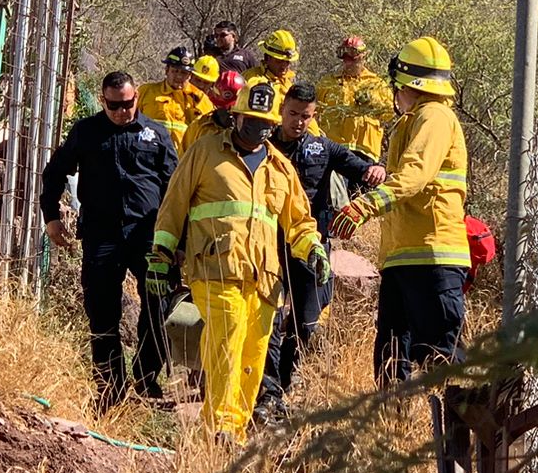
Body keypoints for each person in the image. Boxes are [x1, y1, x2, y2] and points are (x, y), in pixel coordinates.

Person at [147, 81, 330, 442]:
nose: (258, 128)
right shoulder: (205, 152)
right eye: (251, 120)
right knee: (225, 341)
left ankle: (238, 432)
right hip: (215, 269)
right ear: (236, 115)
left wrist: (312, 248)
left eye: (265, 122)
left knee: (254, 354)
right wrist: (161, 255)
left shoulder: (279, 168)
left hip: (263, 278)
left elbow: (299, 221)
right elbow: (174, 206)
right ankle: (219, 428)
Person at [329, 37, 470, 384]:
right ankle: (392, 428)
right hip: (404, 256)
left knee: (440, 358)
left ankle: (467, 433)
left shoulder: (434, 117)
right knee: (393, 357)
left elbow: (414, 175)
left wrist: (366, 204)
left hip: (431, 255)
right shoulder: (412, 121)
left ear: (404, 83)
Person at [41, 71, 176, 410]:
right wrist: (52, 217)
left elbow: (176, 189)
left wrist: (179, 240)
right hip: (102, 235)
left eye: (127, 104)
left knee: (160, 307)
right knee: (102, 313)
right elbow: (55, 171)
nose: (121, 112)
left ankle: (146, 380)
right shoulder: (87, 132)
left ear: (137, 99)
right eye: (113, 106)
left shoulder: (156, 135)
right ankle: (110, 388)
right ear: (104, 101)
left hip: (149, 237)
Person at [255, 81, 385, 421]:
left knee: (306, 320)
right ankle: (266, 390)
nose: (298, 121)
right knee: (266, 315)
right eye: (294, 113)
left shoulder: (322, 148)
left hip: (310, 245)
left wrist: (376, 169)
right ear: (282, 109)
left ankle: (283, 382)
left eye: (306, 116)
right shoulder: (262, 143)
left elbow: (360, 167)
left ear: (315, 116)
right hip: (268, 241)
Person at [316, 35, 392, 159]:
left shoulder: (376, 84)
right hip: (335, 149)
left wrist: (372, 103)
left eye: (353, 59)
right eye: (345, 59)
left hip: (366, 150)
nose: (348, 63)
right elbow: (314, 111)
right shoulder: (328, 83)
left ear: (363, 57)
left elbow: (389, 113)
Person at [244, 29, 322, 135]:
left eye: (287, 62)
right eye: (279, 61)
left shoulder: (288, 84)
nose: (284, 66)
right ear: (267, 58)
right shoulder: (252, 80)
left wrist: (316, 137)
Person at [136, 46, 214, 151]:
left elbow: (211, 132)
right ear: (166, 70)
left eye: (183, 73)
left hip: (182, 162)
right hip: (149, 157)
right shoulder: (146, 92)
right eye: (175, 71)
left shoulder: (200, 99)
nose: (179, 76)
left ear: (190, 75)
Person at [181, 67, 244, 153]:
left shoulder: (247, 132)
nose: (229, 113)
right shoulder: (200, 125)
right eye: (224, 108)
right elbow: (183, 157)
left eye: (233, 110)